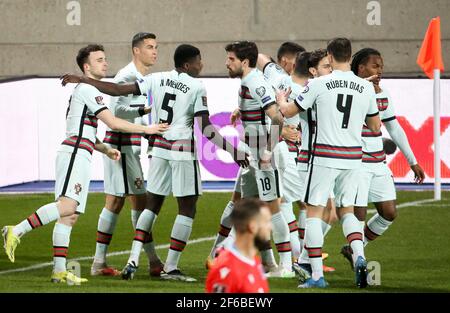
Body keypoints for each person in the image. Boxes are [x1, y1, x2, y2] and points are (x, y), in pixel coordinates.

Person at [60, 44, 249, 282]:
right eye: (199, 62)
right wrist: (232, 151)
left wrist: (83, 80)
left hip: (158, 149)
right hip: (181, 149)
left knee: (151, 205)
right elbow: (205, 128)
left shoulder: (156, 78)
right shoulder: (196, 86)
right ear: (188, 64)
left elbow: (117, 90)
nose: (202, 66)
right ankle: (170, 267)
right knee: (187, 208)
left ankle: (133, 259)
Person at [2, 44, 168, 284]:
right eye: (99, 60)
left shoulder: (85, 91)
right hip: (75, 154)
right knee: (67, 206)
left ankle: (59, 271)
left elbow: (83, 128)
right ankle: (15, 231)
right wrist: (147, 128)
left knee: (70, 215)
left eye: (105, 58)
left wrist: (105, 149)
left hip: (81, 150)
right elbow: (113, 122)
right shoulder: (88, 89)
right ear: (86, 67)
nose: (105, 63)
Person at [278, 38, 381, 288]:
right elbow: (376, 127)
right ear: (350, 56)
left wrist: (281, 99)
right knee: (347, 211)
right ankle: (359, 257)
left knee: (313, 211)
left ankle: (316, 275)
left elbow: (289, 112)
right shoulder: (364, 88)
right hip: (354, 158)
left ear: (331, 57)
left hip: (322, 156)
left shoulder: (318, 84)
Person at [340, 48, 425, 268]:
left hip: (378, 163)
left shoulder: (382, 93)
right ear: (361, 68)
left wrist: (412, 160)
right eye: (375, 66)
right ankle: (360, 262)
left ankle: (356, 248)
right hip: (355, 162)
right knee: (357, 214)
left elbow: (394, 129)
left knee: (389, 212)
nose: (380, 70)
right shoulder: (349, 91)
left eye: (382, 66)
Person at [90, 32, 164, 278]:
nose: (154, 51)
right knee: (133, 202)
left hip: (128, 144)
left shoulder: (140, 76)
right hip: (120, 146)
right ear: (136, 50)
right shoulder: (127, 76)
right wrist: (144, 110)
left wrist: (146, 131)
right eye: (150, 47)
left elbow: (126, 113)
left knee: (121, 202)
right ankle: (152, 261)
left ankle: (101, 262)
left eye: (155, 47)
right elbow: (117, 110)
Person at [223, 41, 294, 278]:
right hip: (251, 154)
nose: (227, 63)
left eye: (231, 59)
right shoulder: (249, 81)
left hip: (262, 155)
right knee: (246, 206)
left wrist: (267, 151)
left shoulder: (254, 81)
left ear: (244, 62)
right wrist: (240, 111)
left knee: (273, 208)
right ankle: (267, 262)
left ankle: (287, 267)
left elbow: (277, 118)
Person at [205, 198, 271, 293]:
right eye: (266, 222)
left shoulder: (255, 263)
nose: (270, 227)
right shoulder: (226, 270)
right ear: (252, 226)